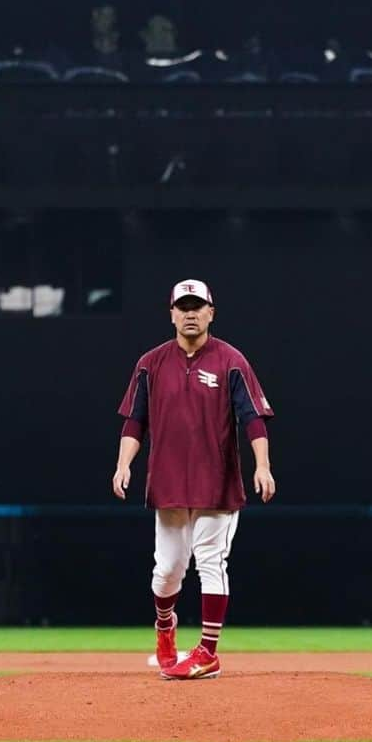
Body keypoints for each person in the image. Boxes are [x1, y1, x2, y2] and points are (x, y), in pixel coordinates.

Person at [113, 280, 275, 680]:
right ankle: (165, 628)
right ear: (171, 313)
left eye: (197, 306)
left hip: (216, 483)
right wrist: (123, 465)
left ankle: (207, 651)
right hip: (168, 480)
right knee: (166, 570)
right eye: (182, 306)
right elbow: (135, 420)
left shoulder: (231, 361)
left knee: (210, 564)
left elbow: (252, 417)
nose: (190, 313)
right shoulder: (150, 363)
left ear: (210, 313)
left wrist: (263, 465)